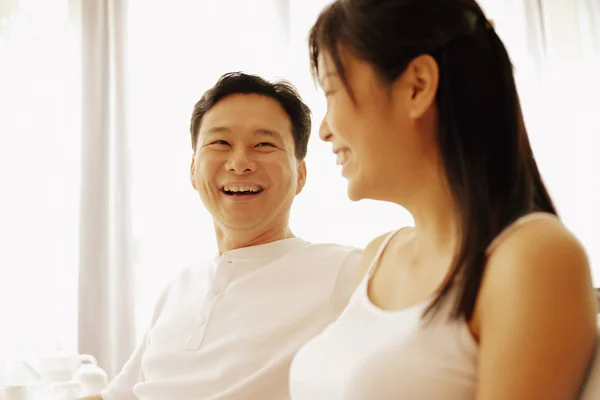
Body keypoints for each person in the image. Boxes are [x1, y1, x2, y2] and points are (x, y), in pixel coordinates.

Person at [289, 1, 598, 399]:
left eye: (331, 92)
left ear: (417, 86)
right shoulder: (379, 257)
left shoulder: (531, 257)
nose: (324, 131)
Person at [86, 72, 361, 400]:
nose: (240, 163)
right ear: (192, 169)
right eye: (220, 143)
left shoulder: (345, 271)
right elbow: (116, 396)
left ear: (300, 174)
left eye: (263, 144)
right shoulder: (179, 289)